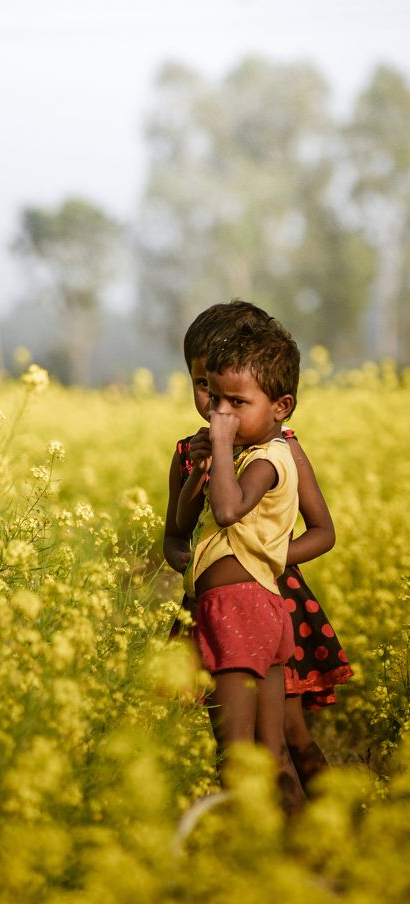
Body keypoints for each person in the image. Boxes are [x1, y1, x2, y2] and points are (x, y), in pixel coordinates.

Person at [164, 303, 352, 793]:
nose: (215, 406)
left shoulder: (278, 449)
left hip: (272, 597)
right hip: (216, 601)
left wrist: (264, 557)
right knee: (244, 737)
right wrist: (190, 559)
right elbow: (175, 534)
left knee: (289, 733)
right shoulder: (191, 451)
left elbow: (322, 531)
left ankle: (333, 818)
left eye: (230, 395)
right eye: (203, 386)